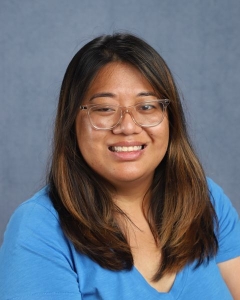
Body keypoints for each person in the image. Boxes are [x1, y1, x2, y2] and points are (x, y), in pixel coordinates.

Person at [0, 33, 240, 300]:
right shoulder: (38, 228)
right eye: (104, 109)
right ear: (72, 122)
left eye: (147, 106)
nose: (127, 127)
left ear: (170, 118)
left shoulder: (206, 199)